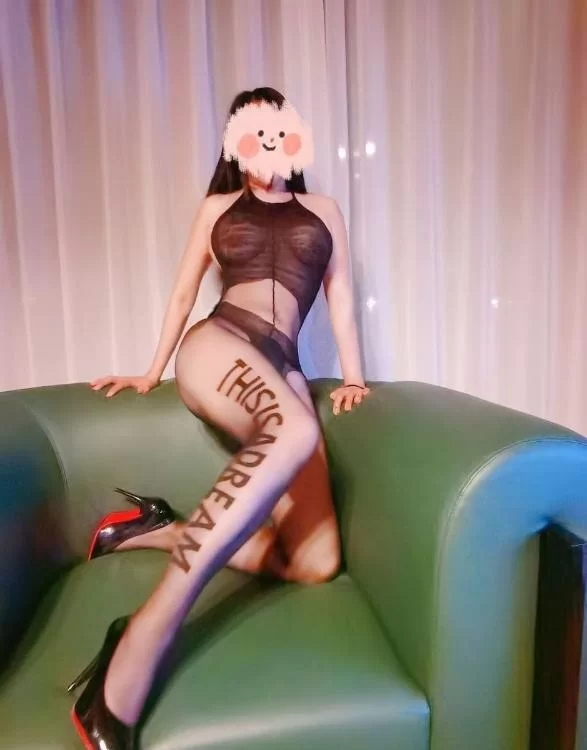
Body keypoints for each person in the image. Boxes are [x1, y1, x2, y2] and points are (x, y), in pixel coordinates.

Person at [71, 86, 371, 749]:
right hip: (220, 342)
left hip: (283, 367)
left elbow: (342, 297)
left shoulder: (323, 209)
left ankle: (159, 529)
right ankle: (143, 638)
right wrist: (150, 370)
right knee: (294, 429)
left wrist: (354, 376)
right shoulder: (217, 207)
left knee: (316, 561)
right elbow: (184, 292)